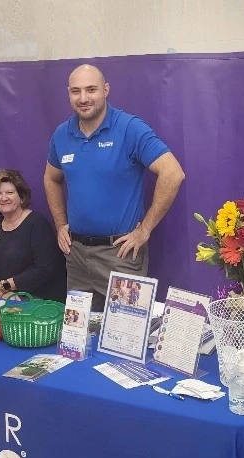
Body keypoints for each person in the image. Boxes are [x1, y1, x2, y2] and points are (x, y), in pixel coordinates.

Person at [43, 63, 185, 311]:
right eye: (76, 91)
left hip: (119, 257)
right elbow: (51, 178)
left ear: (106, 90)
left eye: (91, 90)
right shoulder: (61, 134)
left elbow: (173, 173)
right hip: (75, 257)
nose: (84, 98)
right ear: (68, 93)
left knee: (124, 338)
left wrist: (145, 230)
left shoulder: (129, 128)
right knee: (81, 339)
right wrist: (59, 224)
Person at [0, 168, 66, 303]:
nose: (4, 198)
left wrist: (4, 287)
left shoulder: (37, 223)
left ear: (21, 196)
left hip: (35, 297)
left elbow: (45, 269)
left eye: (9, 192)